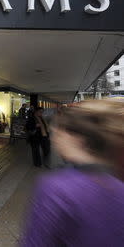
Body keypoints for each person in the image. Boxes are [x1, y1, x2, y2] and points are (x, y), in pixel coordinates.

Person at [21, 99, 124, 247]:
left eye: (58, 133)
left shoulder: (56, 188)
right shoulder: (119, 185)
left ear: (74, 137)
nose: (55, 139)